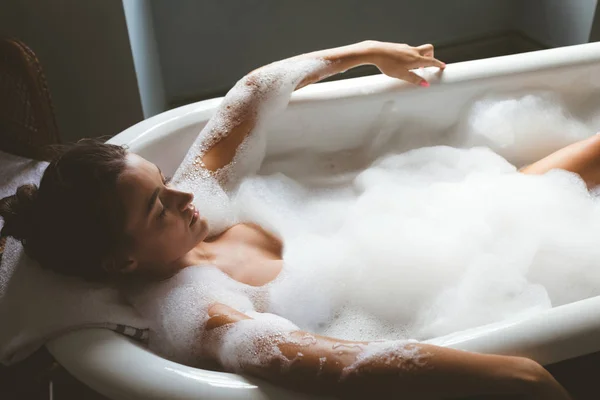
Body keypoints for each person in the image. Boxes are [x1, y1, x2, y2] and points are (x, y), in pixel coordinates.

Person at [0, 40, 581, 399]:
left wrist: (368, 52)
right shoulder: (198, 311)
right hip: (442, 286)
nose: (179, 195)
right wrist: (511, 377)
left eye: (161, 179)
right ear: (123, 259)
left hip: (431, 219)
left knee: (555, 173)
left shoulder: (198, 201)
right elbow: (335, 365)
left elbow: (251, 94)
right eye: (157, 205)